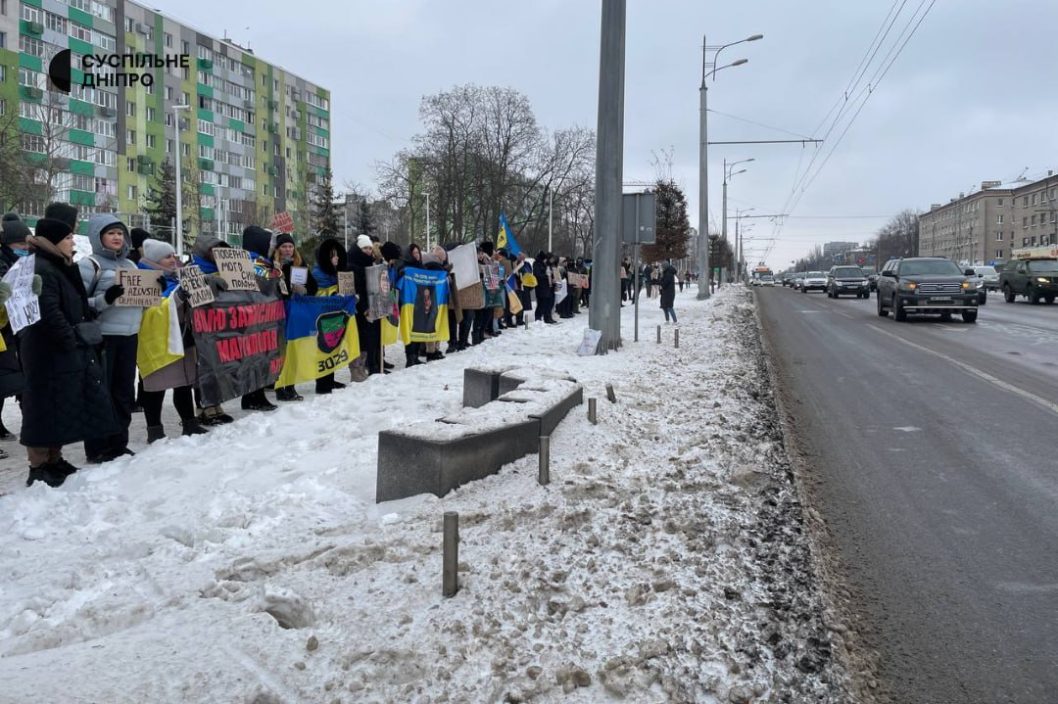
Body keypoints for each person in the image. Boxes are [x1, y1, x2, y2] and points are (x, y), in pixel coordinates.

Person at [20, 215, 116, 487]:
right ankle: (39, 465)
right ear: (53, 241)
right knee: (42, 407)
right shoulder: (41, 268)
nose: (73, 241)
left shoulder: (57, 265)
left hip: (60, 350)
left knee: (59, 405)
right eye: (68, 237)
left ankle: (54, 458)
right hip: (45, 351)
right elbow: (47, 312)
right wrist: (73, 338)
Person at [79, 213, 145, 463]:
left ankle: (119, 442)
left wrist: (152, 293)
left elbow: (142, 302)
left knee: (123, 392)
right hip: (103, 338)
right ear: (99, 237)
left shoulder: (131, 265)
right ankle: (97, 447)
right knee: (101, 393)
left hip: (129, 335)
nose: (117, 237)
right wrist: (106, 299)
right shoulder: (89, 265)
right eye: (111, 233)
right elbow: (79, 305)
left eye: (120, 233)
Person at [136, 238, 209, 441]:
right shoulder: (143, 279)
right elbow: (148, 313)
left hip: (183, 337)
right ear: (156, 260)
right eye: (168, 256)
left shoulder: (176, 278)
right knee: (155, 389)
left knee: (183, 383)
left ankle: (189, 423)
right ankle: (155, 431)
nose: (173, 259)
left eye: (173, 255)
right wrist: (178, 298)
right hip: (158, 342)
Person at [189, 233, 235, 426]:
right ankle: (203, 407)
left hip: (220, 325)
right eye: (213, 249)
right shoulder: (192, 269)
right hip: (199, 327)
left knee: (217, 366)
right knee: (203, 367)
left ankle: (216, 405)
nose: (217, 254)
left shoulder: (226, 270)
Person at [239, 225, 280, 412]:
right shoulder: (253, 263)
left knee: (259, 359)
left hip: (260, 316)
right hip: (255, 317)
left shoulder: (259, 262)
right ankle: (253, 396)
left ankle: (254, 395)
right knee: (255, 359)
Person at [272, 233, 317, 401]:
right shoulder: (273, 266)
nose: (288, 249)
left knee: (294, 350)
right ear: (278, 248)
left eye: (290, 246)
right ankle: (279, 386)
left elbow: (313, 286)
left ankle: (290, 385)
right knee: (281, 350)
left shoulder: (300, 263)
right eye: (284, 246)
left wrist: (304, 289)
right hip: (279, 312)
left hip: (296, 313)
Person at [0, 214, 31, 446]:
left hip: (17, 328)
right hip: (4, 330)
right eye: (21, 244)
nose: (24, 248)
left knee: (14, 379)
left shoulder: (23, 261)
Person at [311, 237, 350, 393]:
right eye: (334, 255)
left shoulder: (336, 274)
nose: (337, 258)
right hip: (322, 319)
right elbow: (318, 296)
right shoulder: (318, 274)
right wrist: (335, 294)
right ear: (328, 257)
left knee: (333, 347)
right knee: (322, 348)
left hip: (334, 318)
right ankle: (322, 383)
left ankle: (330, 379)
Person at [347, 234, 382, 375]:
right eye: (365, 248)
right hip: (358, 308)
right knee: (358, 338)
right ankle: (356, 369)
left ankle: (367, 365)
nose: (368, 251)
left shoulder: (370, 263)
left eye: (369, 248)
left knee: (369, 338)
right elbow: (352, 288)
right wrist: (363, 307)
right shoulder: (351, 265)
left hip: (371, 306)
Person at [660, 259, 678, 323]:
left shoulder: (668, 273)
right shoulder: (667, 272)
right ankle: (667, 320)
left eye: (662, 267)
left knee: (669, 307)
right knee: (665, 307)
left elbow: (665, 283)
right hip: (666, 292)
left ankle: (675, 320)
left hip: (669, 293)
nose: (662, 268)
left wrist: (661, 280)